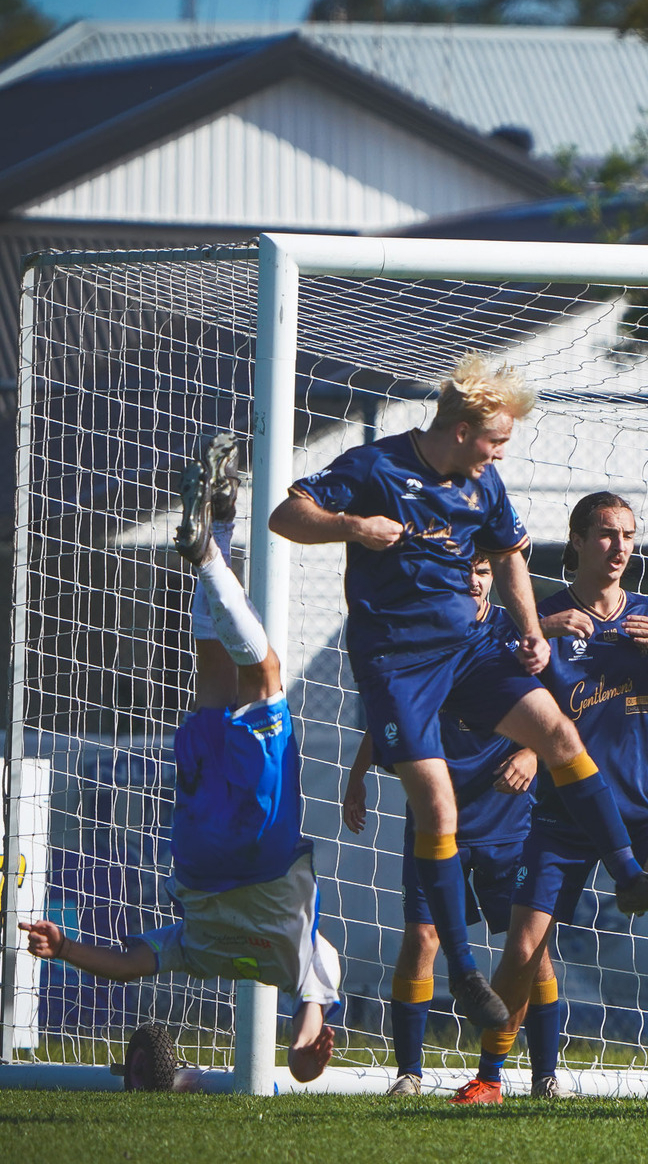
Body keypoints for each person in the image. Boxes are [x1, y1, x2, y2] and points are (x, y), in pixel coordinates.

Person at [270, 354, 648, 1033]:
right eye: (496, 439)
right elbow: (287, 516)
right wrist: (353, 527)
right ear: (465, 429)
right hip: (398, 666)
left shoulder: (485, 484)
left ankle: (627, 873)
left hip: (469, 651)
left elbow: (508, 560)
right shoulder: (375, 467)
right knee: (436, 809)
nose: (502, 451)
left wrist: (530, 632)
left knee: (558, 731)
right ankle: (467, 975)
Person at [19, 433, 338, 1082]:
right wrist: (65, 947)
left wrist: (308, 1050)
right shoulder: (195, 949)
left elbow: (313, 1013)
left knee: (265, 674)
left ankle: (207, 552)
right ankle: (219, 520)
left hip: (260, 845)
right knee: (214, 670)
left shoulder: (304, 955)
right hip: (192, 846)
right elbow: (131, 961)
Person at [451, 492, 648, 1106]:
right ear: (576, 542)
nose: (620, 546)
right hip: (563, 816)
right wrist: (537, 637)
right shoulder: (540, 619)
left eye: (628, 534)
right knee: (523, 946)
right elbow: (481, 679)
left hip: (646, 812)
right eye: (605, 534)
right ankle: (490, 1077)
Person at [340, 553, 562, 1097]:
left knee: (528, 949)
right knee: (422, 937)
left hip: (507, 820)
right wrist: (359, 773)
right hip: (436, 818)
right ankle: (409, 1075)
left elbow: (557, 713)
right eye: (466, 570)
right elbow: (394, 709)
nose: (475, 579)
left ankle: (545, 1076)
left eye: (485, 570)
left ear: (498, 576)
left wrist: (532, 755)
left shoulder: (519, 636)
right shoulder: (422, 632)